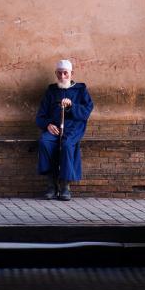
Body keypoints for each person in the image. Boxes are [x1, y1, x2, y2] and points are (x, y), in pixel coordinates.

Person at [36, 59, 94, 200]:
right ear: (56, 73)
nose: (62, 77)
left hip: (73, 128)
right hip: (54, 128)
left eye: (65, 73)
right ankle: (51, 185)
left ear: (71, 73)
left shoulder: (80, 90)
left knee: (67, 145)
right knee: (44, 142)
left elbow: (87, 111)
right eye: (59, 73)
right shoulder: (51, 91)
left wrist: (72, 106)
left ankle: (65, 186)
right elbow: (40, 116)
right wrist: (47, 125)